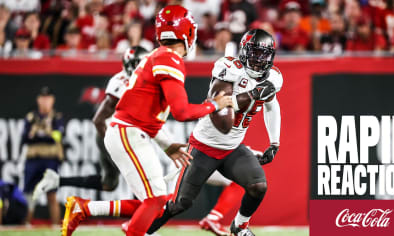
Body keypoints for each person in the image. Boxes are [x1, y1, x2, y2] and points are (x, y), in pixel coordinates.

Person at [61, 5, 232, 236]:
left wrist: (166, 145)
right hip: (128, 131)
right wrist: (214, 105)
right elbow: (181, 112)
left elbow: (144, 112)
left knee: (156, 202)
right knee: (157, 200)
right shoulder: (169, 59)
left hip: (130, 130)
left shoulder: (157, 55)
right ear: (188, 32)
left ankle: (84, 208)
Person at [146, 28, 282, 236]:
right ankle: (140, 231)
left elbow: (272, 105)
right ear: (244, 52)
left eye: (264, 55)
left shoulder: (273, 77)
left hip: (232, 148)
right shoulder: (229, 68)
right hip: (204, 146)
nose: (258, 60)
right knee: (180, 203)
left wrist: (274, 142)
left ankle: (240, 227)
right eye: (254, 53)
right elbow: (221, 117)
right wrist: (253, 94)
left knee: (258, 186)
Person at [33, 46, 148, 201]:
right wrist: (114, 146)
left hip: (115, 134)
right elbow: (98, 120)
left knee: (109, 183)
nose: (145, 67)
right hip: (111, 135)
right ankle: (144, 218)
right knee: (138, 175)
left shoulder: (135, 81)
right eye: (141, 64)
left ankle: (57, 180)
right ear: (131, 65)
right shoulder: (123, 84)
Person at [22, 86, 64, 225]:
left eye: (48, 98)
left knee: (51, 194)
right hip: (33, 159)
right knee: (29, 195)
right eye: (43, 98)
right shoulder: (31, 117)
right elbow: (25, 138)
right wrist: (42, 133)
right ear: (38, 100)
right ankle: (26, 226)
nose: (45, 101)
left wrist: (43, 132)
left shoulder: (57, 117)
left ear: (52, 100)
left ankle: (55, 226)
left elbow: (57, 137)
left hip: (50, 160)